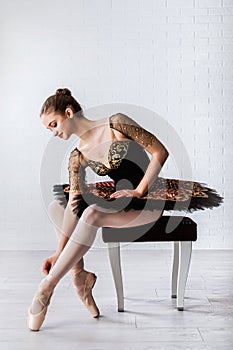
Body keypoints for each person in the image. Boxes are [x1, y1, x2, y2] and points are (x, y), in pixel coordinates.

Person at [28, 88, 222, 331]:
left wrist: (139, 191)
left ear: (68, 113)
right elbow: (73, 206)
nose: (54, 132)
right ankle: (79, 279)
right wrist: (59, 254)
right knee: (58, 204)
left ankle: (46, 288)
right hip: (119, 204)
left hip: (147, 202)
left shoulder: (116, 123)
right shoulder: (77, 156)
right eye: (49, 129)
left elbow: (160, 151)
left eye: (53, 124)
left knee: (91, 214)